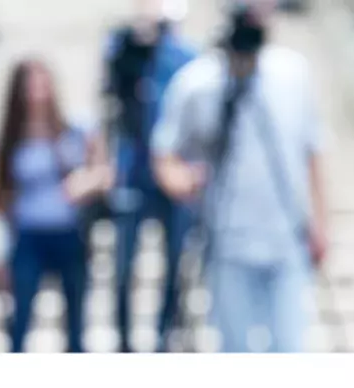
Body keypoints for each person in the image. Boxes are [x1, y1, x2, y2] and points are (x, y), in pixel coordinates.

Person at [151, 2, 329, 352]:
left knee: (290, 346)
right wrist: (183, 181)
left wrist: (321, 222)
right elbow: (164, 153)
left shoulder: (293, 73)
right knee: (235, 349)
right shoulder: (198, 82)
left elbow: (314, 151)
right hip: (226, 239)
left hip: (287, 236)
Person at [0, 59, 113, 353]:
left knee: (76, 322)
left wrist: (87, 181)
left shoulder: (75, 129)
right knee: (20, 321)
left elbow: (104, 172)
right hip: (28, 235)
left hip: (69, 233)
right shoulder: (10, 138)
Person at [101, 0, 197, 352]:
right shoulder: (121, 46)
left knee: (175, 261)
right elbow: (110, 99)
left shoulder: (185, 55)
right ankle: (124, 339)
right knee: (124, 263)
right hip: (133, 169)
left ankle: (164, 335)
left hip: (173, 170)